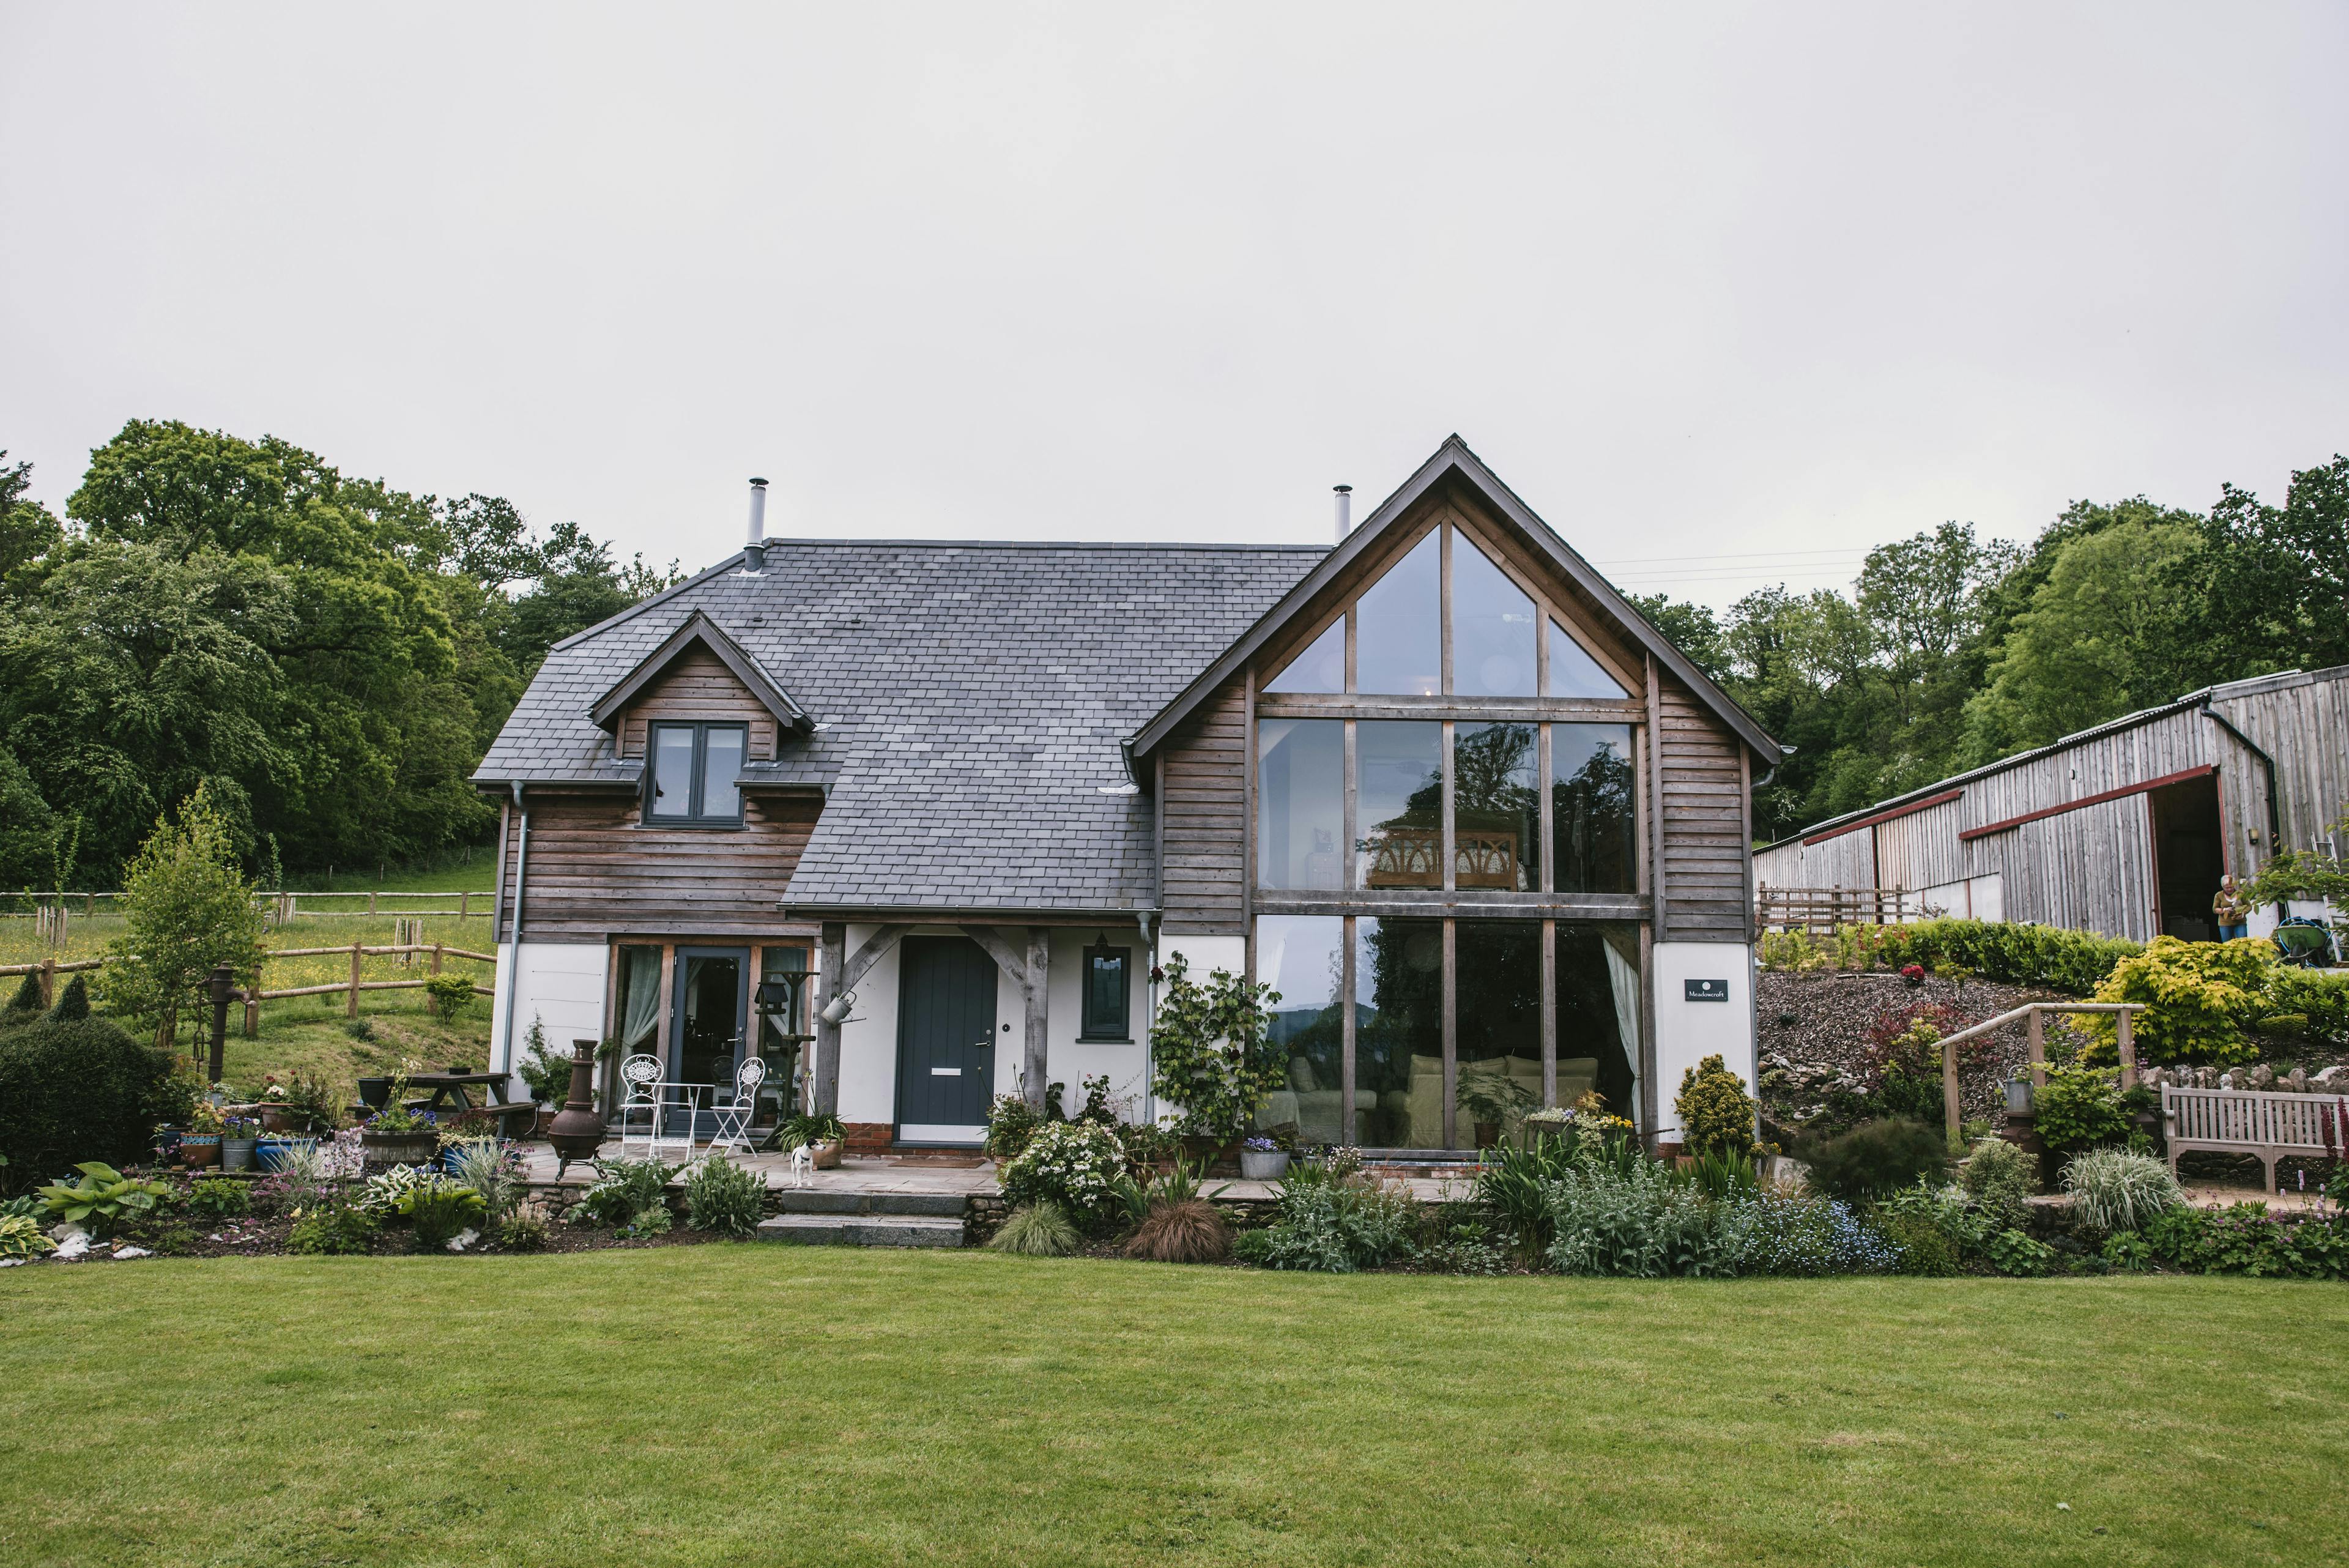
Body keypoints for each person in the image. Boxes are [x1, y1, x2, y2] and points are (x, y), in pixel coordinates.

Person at [2212, 875, 2249, 942]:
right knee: (2227, 945)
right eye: (2227, 888)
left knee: (2243, 943)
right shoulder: (2219, 895)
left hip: (2240, 923)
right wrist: (2224, 910)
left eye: (2231, 887)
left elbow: (2249, 906)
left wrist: (2243, 913)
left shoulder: (2241, 894)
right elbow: (2215, 909)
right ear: (2223, 887)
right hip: (2225, 924)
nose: (2229, 889)